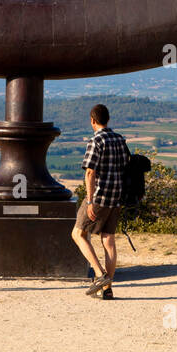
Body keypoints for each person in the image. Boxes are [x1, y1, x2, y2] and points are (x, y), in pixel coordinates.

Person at [70, 103, 130, 299]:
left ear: (92, 121)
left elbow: (90, 172)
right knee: (108, 240)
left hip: (100, 196)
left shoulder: (96, 141)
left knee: (78, 233)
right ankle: (108, 289)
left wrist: (89, 201)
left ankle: (100, 274)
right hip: (117, 197)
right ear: (108, 119)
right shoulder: (120, 140)